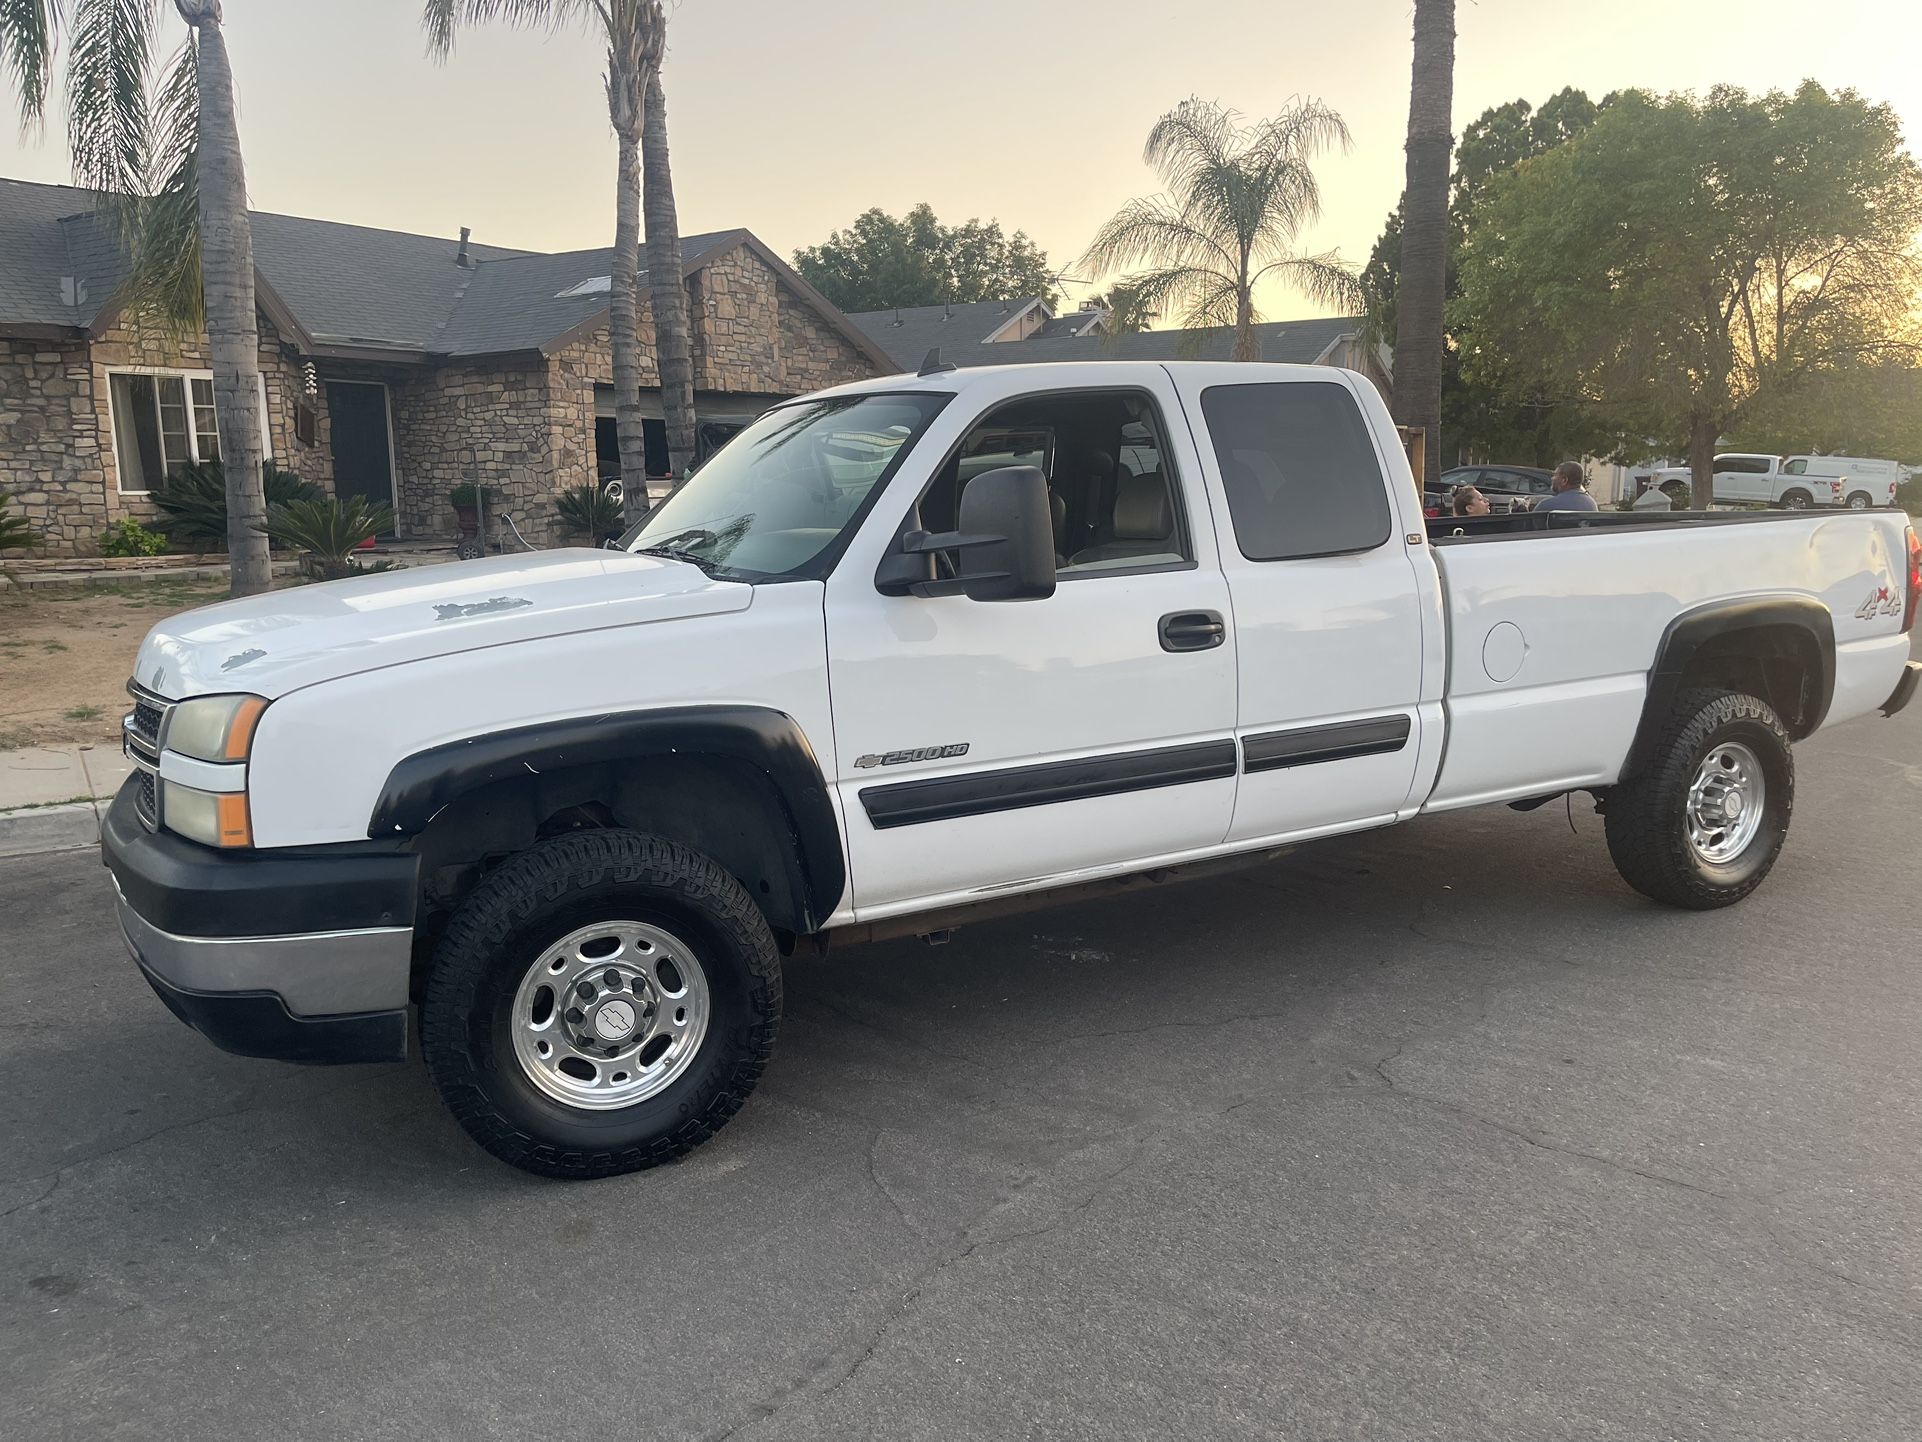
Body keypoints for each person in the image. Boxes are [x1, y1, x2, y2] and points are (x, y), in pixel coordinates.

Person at [1534, 460, 1599, 513]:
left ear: (1564, 480)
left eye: (1555, 475)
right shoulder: (1591, 504)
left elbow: (1529, 527)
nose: (1552, 478)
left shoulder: (1546, 505)